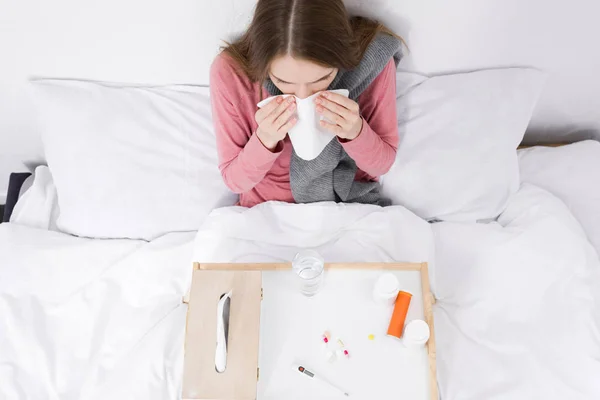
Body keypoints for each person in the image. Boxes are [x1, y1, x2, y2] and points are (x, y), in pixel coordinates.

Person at [210, 0, 403, 208]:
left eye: (321, 79)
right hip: (266, 210)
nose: (302, 96)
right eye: (284, 82)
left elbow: (382, 164)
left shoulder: (371, 62)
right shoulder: (232, 73)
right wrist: (265, 139)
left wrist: (356, 131)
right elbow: (235, 181)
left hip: (346, 206)